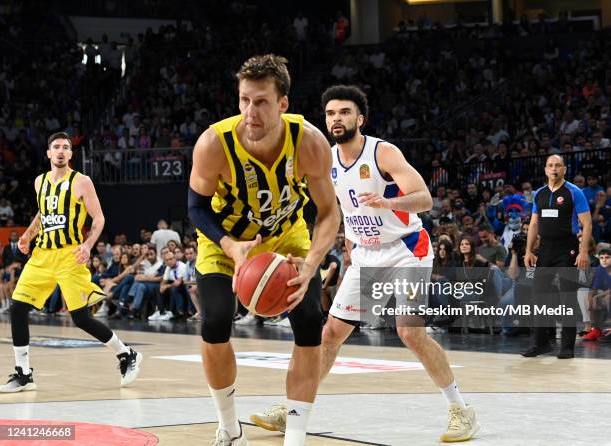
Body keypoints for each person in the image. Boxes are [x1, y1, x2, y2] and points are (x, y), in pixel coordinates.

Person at [251, 85, 479, 442]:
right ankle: (293, 409)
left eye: (344, 112)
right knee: (329, 335)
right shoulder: (325, 160)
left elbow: (424, 199)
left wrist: (389, 204)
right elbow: (333, 211)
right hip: (366, 255)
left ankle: (461, 411)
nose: (336, 119)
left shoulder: (382, 152)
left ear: (360, 118)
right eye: (330, 113)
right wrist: (345, 244)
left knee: (410, 332)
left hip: (406, 250)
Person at [187, 55, 339, 446]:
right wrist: (230, 246)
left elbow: (327, 213)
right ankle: (229, 425)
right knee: (215, 322)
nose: (250, 112)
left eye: (261, 102)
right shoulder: (213, 144)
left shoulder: (309, 142)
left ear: (283, 104)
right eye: (244, 101)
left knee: (309, 324)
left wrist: (311, 263)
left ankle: (296, 434)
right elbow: (196, 207)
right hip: (227, 241)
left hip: (287, 239)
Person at [0, 132, 142, 393]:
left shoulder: (82, 182)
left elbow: (98, 219)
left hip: (69, 255)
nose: (62, 151)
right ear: (49, 153)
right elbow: (44, 212)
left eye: (66, 147)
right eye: (56, 147)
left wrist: (87, 246)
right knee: (17, 308)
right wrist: (28, 236)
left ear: (71, 154)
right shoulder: (39, 182)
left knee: (81, 318)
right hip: (42, 255)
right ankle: (24, 374)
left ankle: (126, 354)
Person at [522, 154, 592, 359]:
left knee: (567, 297)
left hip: (567, 248)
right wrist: (528, 250)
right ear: (545, 170)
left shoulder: (573, 192)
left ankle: (567, 347)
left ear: (564, 169)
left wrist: (583, 251)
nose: (554, 169)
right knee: (538, 297)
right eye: (551, 166)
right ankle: (541, 344)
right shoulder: (540, 194)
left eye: (558, 166)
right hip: (545, 249)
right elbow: (534, 224)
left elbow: (587, 223)